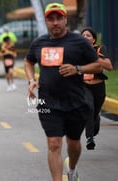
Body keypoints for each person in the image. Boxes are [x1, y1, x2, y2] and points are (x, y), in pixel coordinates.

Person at [24, 3, 102, 181]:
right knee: (54, 143)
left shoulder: (79, 42)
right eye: (51, 19)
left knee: (73, 144)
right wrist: (31, 80)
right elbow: (28, 61)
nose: (55, 22)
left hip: (76, 102)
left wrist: (78, 68)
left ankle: (72, 168)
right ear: (46, 21)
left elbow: (98, 64)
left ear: (65, 19)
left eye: (59, 18)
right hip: (48, 102)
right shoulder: (39, 43)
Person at [81, 27, 113, 150]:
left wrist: (95, 58)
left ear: (93, 40)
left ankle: (96, 121)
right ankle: (90, 139)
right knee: (89, 107)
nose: (85, 37)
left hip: (99, 87)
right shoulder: (77, 51)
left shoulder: (99, 50)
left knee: (93, 114)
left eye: (88, 35)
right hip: (84, 86)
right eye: (83, 35)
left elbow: (109, 66)